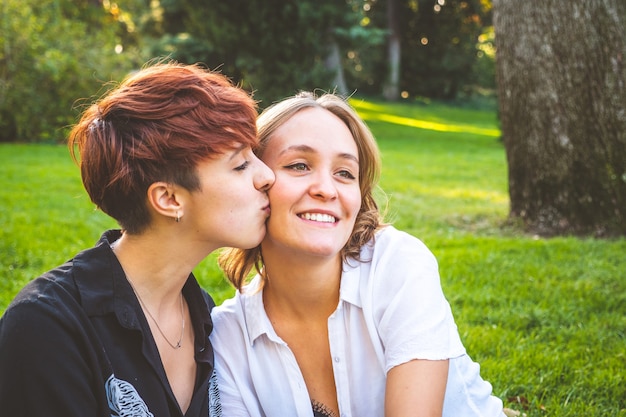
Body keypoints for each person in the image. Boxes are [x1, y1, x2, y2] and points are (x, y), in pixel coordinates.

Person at [0, 62, 274, 417]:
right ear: (169, 199)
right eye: (240, 165)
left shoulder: (205, 314)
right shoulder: (47, 328)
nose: (266, 175)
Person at [210, 92, 506, 417]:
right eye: (299, 165)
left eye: (345, 173)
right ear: (257, 182)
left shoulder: (397, 265)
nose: (327, 188)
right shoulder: (228, 335)